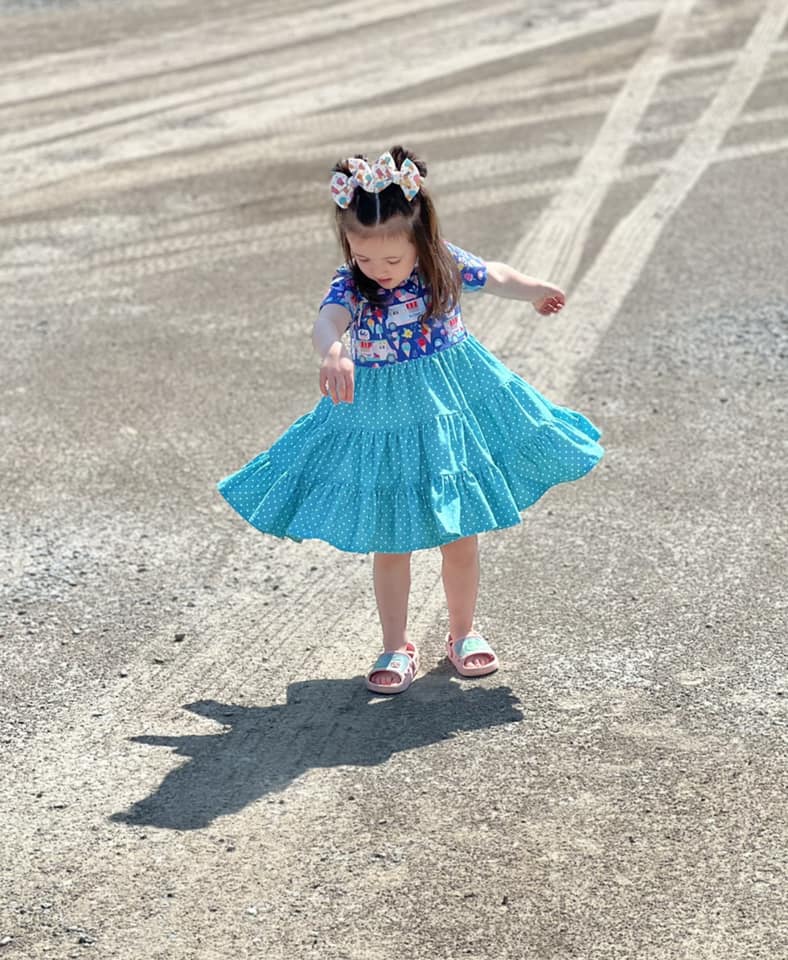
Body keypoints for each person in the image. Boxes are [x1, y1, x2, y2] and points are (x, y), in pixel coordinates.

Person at [217, 145, 603, 695]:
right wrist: (333, 350)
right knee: (391, 539)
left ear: (419, 241)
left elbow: (492, 273)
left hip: (449, 410)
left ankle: (463, 633)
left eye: (393, 261)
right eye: (365, 258)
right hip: (384, 420)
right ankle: (396, 644)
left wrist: (532, 290)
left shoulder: (441, 263)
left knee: (461, 533)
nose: (380, 271)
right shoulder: (353, 284)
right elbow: (327, 319)